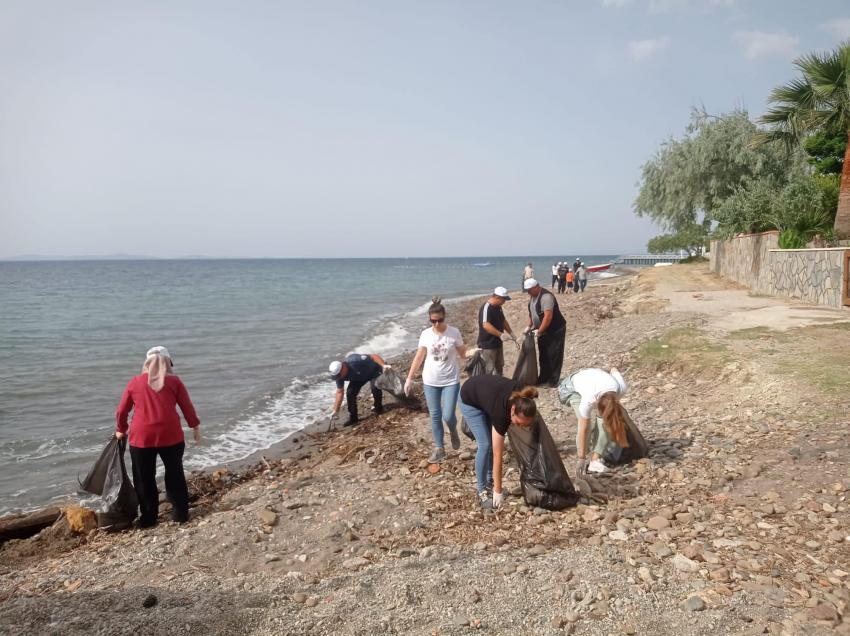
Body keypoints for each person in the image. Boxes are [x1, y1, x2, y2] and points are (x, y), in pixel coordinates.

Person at [116, 346, 200, 527]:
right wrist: (194, 425)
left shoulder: (135, 382)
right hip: (171, 435)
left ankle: (148, 518)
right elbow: (187, 407)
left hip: (141, 437)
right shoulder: (175, 382)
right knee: (175, 473)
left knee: (144, 477)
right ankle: (180, 514)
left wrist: (121, 429)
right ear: (167, 363)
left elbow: (122, 410)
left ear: (146, 363)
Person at [459, 375, 538, 509]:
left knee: (490, 442)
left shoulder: (524, 399)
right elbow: (498, 456)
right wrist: (498, 491)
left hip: (487, 396)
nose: (518, 426)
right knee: (485, 445)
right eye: (518, 423)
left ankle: (490, 481)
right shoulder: (501, 414)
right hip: (469, 397)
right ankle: (481, 490)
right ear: (512, 411)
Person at [404, 298, 466, 463]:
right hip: (430, 381)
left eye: (440, 320)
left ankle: (452, 429)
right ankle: (440, 448)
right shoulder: (425, 334)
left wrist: (474, 353)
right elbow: (419, 357)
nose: (437, 324)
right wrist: (409, 378)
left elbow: (462, 353)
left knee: (448, 415)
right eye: (433, 321)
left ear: (444, 317)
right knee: (435, 416)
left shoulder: (454, 332)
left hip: (451, 380)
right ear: (429, 319)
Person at [558, 367, 629, 474]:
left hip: (593, 379)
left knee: (607, 421)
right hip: (569, 388)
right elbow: (584, 429)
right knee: (587, 424)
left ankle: (595, 461)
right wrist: (581, 458)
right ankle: (584, 456)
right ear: (596, 402)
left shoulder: (621, 389)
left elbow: (614, 369)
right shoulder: (588, 399)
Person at [523, 278, 567, 387]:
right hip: (542, 330)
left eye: (529, 290)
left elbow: (548, 317)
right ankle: (543, 378)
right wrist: (529, 327)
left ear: (536, 287)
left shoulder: (546, 297)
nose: (528, 292)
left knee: (554, 354)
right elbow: (532, 314)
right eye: (527, 290)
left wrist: (540, 331)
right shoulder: (532, 298)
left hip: (554, 330)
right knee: (543, 355)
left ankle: (552, 381)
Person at [329, 352, 390, 426]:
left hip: (374, 371)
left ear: (343, 367)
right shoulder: (339, 376)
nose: (338, 377)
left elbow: (374, 356)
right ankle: (353, 418)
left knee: (375, 388)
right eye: (336, 376)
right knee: (350, 393)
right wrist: (336, 410)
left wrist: (383, 365)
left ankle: (378, 409)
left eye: (339, 375)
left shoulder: (355, 360)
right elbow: (339, 392)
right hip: (359, 378)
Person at [476, 286, 515, 376]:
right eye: (503, 299)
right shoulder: (486, 307)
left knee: (499, 366)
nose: (504, 302)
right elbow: (485, 325)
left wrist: (511, 333)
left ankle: (498, 385)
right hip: (488, 344)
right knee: (488, 369)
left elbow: (503, 320)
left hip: (498, 343)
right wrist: (500, 334)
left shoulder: (498, 307)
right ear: (497, 297)